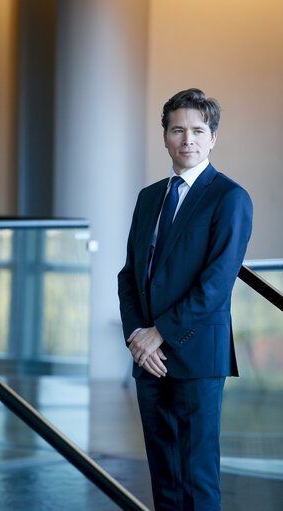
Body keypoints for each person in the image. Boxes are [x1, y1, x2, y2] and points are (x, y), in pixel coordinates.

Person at [117, 88, 253, 511]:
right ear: (165, 137)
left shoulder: (230, 198)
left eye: (198, 130)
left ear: (213, 137)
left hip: (196, 355)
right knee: (164, 477)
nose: (187, 140)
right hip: (149, 357)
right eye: (178, 130)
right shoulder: (149, 198)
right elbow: (129, 276)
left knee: (197, 477)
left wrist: (159, 334)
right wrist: (138, 335)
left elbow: (215, 284)